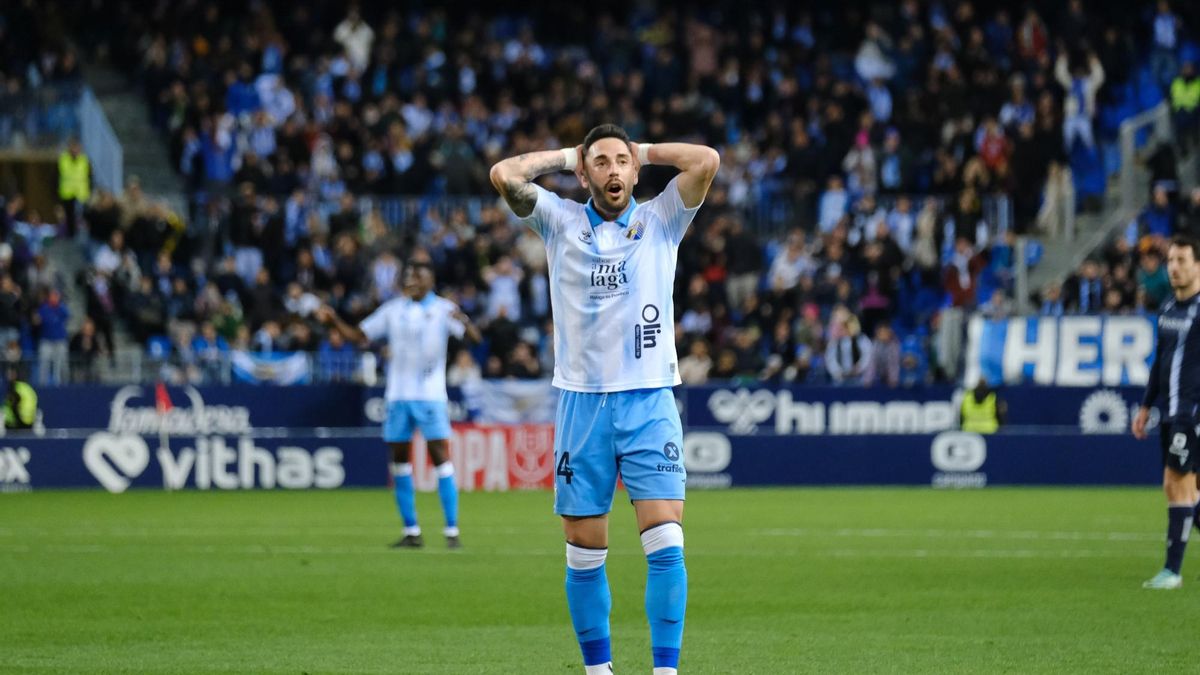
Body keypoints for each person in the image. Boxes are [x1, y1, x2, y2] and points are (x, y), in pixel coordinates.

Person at [490, 124, 719, 675]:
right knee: (585, 553)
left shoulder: (661, 218)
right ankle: (599, 672)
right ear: (584, 172)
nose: (613, 170)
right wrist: (568, 154)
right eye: (601, 162)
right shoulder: (558, 219)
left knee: (666, 543)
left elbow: (706, 160)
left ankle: (665, 672)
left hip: (649, 401)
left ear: (635, 171)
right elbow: (504, 174)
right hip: (582, 406)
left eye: (622, 161)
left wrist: (645, 150)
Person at [318, 258, 481, 549]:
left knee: (441, 459)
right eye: (408, 276)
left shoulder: (443, 309)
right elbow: (359, 336)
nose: (412, 280)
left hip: (431, 396)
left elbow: (475, 339)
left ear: (430, 280)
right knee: (399, 462)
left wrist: (465, 323)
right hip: (397, 396)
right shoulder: (393, 310)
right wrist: (335, 322)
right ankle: (412, 531)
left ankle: (452, 530)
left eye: (418, 275)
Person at [1132, 235, 1200, 589]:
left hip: (1192, 414)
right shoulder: (1168, 309)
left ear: (1198, 265)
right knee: (1180, 486)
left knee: (1178, 485)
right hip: (1170, 412)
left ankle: (1172, 571)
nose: (1174, 267)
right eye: (1171, 260)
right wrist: (1145, 405)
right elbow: (1161, 363)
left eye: (1182, 260)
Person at [57, 137, 90, 237]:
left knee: (82, 217)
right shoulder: (63, 160)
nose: (75, 150)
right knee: (69, 217)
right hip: (67, 193)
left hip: (81, 194)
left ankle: (81, 236)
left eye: (77, 147)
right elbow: (56, 177)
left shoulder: (84, 160)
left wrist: (90, 190)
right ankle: (71, 236)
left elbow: (89, 177)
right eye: (73, 147)